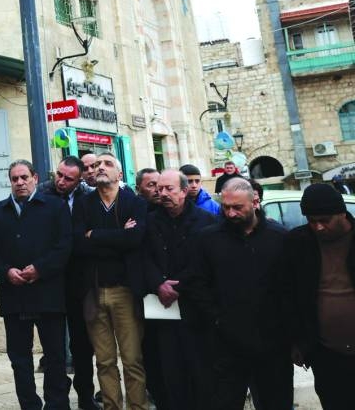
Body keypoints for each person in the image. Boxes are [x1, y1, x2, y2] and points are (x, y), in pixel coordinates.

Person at [181, 177, 292, 410]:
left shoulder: (279, 237)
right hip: (225, 343)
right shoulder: (207, 239)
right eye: (226, 207)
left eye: (237, 207)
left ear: (255, 202)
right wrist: (217, 318)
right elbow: (196, 284)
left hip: (272, 344)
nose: (231, 213)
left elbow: (290, 288)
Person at [0, 160, 72, 409]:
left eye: (24, 177)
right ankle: (29, 404)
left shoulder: (55, 207)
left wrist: (40, 269)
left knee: (55, 356)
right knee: (19, 359)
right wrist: (5, 271)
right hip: (15, 296)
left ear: (34, 178)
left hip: (48, 294)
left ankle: (57, 404)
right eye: (15, 179)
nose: (20, 183)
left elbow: (65, 245)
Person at [72, 152, 148, 410]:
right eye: (96, 165)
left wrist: (95, 235)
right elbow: (79, 244)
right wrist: (118, 237)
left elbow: (135, 240)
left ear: (120, 173)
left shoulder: (134, 203)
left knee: (132, 359)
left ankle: (137, 406)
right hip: (94, 291)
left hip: (125, 290)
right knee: (104, 361)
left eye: (107, 164)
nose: (99, 168)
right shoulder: (84, 204)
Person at [142, 170, 216, 410]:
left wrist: (178, 285)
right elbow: (144, 257)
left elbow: (206, 262)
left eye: (169, 189)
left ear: (184, 191)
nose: (162, 193)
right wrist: (158, 283)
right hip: (162, 306)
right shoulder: (150, 220)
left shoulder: (205, 220)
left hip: (195, 305)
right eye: (159, 188)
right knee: (170, 369)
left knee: (199, 368)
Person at [283, 183, 355, 409]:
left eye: (324, 220)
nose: (319, 227)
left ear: (341, 213)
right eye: (312, 221)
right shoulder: (298, 243)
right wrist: (297, 341)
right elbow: (288, 295)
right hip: (325, 353)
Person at [39, 155, 98, 410]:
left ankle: (85, 395)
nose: (61, 181)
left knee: (82, 344)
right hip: (50, 278)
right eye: (59, 175)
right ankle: (57, 398)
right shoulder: (42, 193)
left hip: (79, 279)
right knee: (53, 345)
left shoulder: (87, 197)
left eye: (69, 179)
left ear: (79, 179)